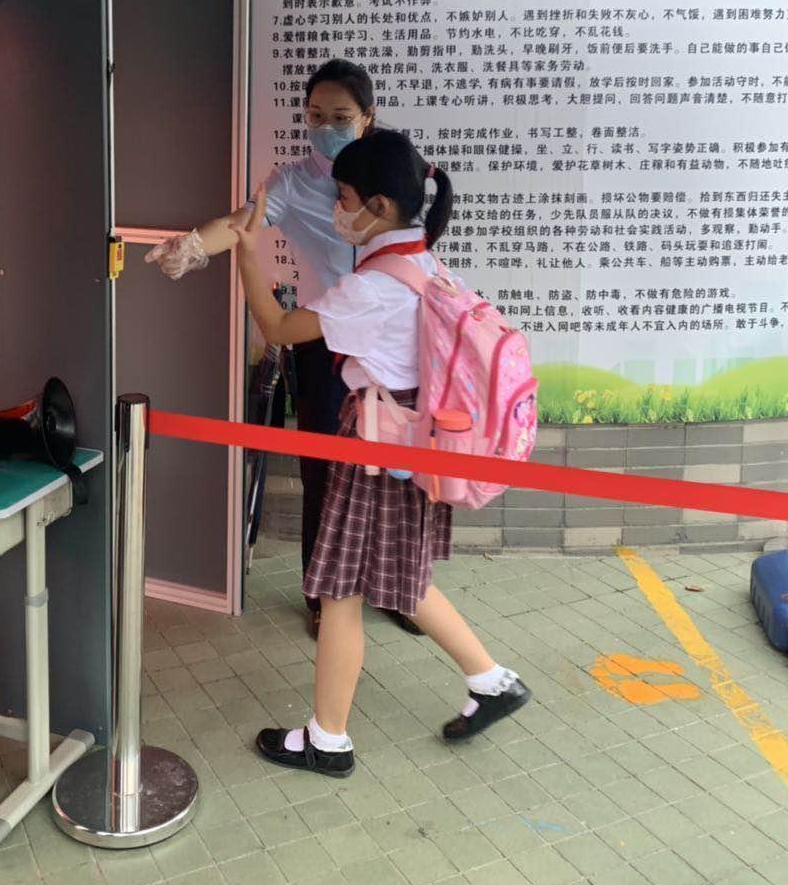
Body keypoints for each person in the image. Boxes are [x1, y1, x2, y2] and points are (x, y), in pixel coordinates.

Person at [232, 129, 531, 775]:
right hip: (411, 447)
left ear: (381, 207)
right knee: (403, 578)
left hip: (375, 447)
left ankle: (327, 740)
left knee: (340, 592)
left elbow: (278, 328)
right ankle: (492, 681)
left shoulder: (371, 288)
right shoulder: (425, 264)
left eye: (344, 197)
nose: (337, 209)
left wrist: (249, 256)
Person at [147, 60, 426, 636]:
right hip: (324, 344)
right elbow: (240, 223)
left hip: (394, 348)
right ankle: (323, 594)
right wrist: (192, 246)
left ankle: (398, 589)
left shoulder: (391, 169)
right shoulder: (294, 182)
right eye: (315, 116)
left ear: (368, 117)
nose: (326, 128)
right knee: (325, 472)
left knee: (400, 473)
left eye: (340, 117)